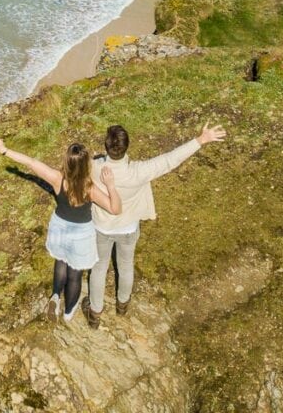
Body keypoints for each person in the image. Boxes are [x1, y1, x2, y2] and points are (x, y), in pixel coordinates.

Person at [83, 120, 226, 329]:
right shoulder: (140, 171)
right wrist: (201, 139)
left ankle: (95, 312)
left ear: (106, 146)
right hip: (129, 228)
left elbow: (73, 167)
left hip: (101, 228)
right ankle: (122, 304)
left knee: (98, 269)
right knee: (125, 266)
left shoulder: (94, 168)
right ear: (125, 148)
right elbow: (170, 160)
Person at [0, 135, 121, 321]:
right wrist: (111, 186)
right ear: (86, 166)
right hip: (80, 233)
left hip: (59, 227)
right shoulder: (90, 188)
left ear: (67, 163)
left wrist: (4, 150)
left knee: (61, 262)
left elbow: (31, 162)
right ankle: (68, 311)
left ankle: (55, 295)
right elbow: (115, 209)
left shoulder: (57, 178)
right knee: (75, 274)